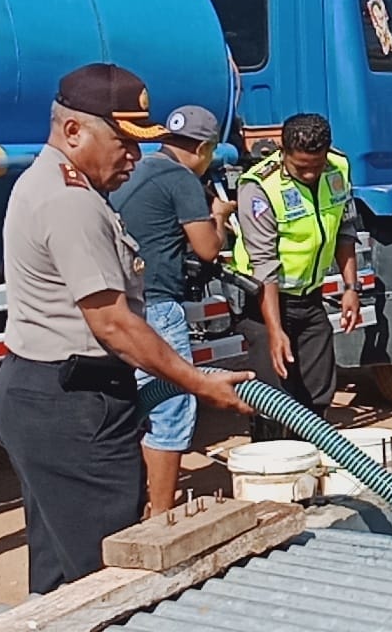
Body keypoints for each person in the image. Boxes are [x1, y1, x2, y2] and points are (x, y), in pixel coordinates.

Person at [0, 62, 253, 595]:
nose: (133, 156)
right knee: (107, 580)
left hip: (53, 395)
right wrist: (198, 382)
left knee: (62, 577)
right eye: (122, 142)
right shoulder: (70, 202)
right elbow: (113, 323)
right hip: (72, 407)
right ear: (73, 132)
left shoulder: (58, 185)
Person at [111, 105, 237, 513]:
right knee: (173, 404)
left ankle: (133, 504)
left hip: (121, 303)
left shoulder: (141, 169)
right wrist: (218, 216)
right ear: (203, 147)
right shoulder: (181, 179)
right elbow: (208, 249)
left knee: (134, 405)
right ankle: (162, 516)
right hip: (158, 306)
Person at [230, 113, 362, 440]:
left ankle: (308, 464)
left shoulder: (338, 169)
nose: (310, 174)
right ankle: (272, 468)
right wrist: (275, 331)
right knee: (272, 396)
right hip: (263, 303)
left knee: (317, 390)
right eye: (300, 167)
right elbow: (264, 264)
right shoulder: (259, 186)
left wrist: (350, 287)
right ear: (283, 151)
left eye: (316, 166)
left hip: (310, 300)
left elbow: (345, 230)